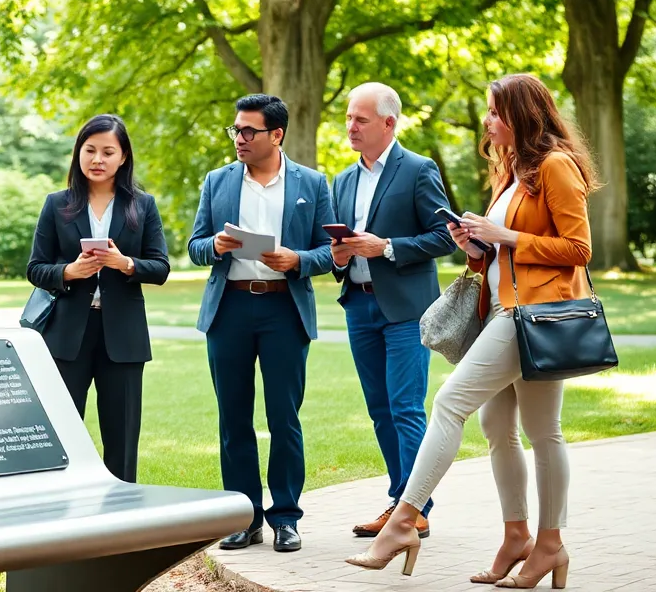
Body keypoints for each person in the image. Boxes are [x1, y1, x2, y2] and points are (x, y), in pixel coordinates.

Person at [347, 73, 598, 589]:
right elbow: (507, 251)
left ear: (521, 116)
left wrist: (504, 234)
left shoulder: (556, 166)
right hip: (504, 308)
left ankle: (403, 522)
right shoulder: (513, 171)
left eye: (494, 112)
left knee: (450, 403)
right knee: (505, 430)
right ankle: (523, 538)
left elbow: (579, 250)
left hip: (532, 315)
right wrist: (477, 246)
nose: (487, 121)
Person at [187, 94, 336, 554]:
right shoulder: (218, 181)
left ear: (277, 135)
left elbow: (330, 252)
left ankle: (286, 518)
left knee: (284, 418)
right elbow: (193, 246)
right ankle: (244, 517)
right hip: (228, 309)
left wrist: (298, 259)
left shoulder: (312, 183)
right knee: (233, 418)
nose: (239, 139)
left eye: (248, 131)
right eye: (235, 130)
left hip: (283, 311)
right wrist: (214, 244)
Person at [330, 83, 455, 539]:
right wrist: (338, 257)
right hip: (358, 306)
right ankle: (399, 501)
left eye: (360, 120)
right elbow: (336, 249)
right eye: (348, 117)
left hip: (405, 310)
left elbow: (445, 236)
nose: (351, 127)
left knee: (405, 407)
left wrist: (386, 248)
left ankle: (413, 507)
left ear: (388, 123)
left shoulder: (418, 170)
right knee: (379, 409)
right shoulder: (342, 180)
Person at [26, 114, 170, 483]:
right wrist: (68, 272)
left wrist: (125, 264)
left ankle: (122, 518)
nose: (97, 159)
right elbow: (36, 267)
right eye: (89, 150)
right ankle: (62, 508)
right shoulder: (57, 204)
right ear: (78, 154)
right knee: (64, 434)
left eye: (108, 151)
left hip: (122, 336)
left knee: (121, 437)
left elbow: (160, 267)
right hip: (67, 335)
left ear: (123, 157)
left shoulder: (143, 205)